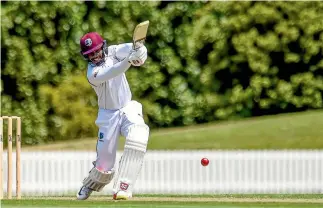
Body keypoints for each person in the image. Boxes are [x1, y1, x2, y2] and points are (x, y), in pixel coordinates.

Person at [76, 32, 150, 200]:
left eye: (96, 51)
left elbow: (132, 48)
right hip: (108, 115)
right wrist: (130, 60)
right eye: (90, 54)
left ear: (102, 47)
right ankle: (89, 185)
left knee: (139, 134)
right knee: (104, 165)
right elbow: (114, 71)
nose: (94, 56)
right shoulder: (92, 73)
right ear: (86, 56)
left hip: (127, 107)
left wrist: (139, 51)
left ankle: (123, 187)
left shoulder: (114, 52)